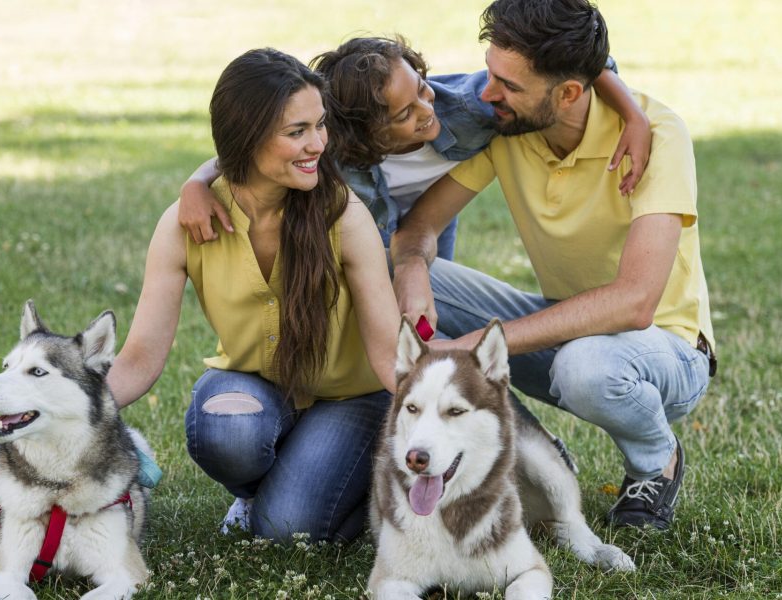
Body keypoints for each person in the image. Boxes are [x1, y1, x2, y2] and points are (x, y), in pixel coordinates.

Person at [391, 0, 714, 530]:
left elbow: (635, 303)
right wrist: (409, 269)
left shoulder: (657, 133)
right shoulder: (506, 125)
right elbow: (419, 231)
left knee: (585, 367)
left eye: (508, 86)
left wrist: (478, 343)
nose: (488, 94)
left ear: (568, 93)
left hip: (667, 350)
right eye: (490, 73)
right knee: (393, 276)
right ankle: (540, 459)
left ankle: (657, 460)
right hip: (563, 324)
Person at [105, 48, 402, 543]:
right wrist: (60, 410)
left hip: (351, 398)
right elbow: (138, 359)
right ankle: (271, 487)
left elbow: (391, 356)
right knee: (228, 434)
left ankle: (362, 487)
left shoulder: (344, 217)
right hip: (256, 386)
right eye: (297, 132)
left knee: (288, 530)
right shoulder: (187, 222)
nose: (318, 145)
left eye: (320, 125)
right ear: (248, 139)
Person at [178, 36, 651, 261]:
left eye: (422, 88)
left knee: (431, 298)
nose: (426, 112)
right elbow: (253, 148)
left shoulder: (468, 107)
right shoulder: (331, 152)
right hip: (374, 227)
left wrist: (632, 115)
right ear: (364, 133)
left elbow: (578, 57)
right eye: (403, 115)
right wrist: (197, 183)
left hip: (433, 217)